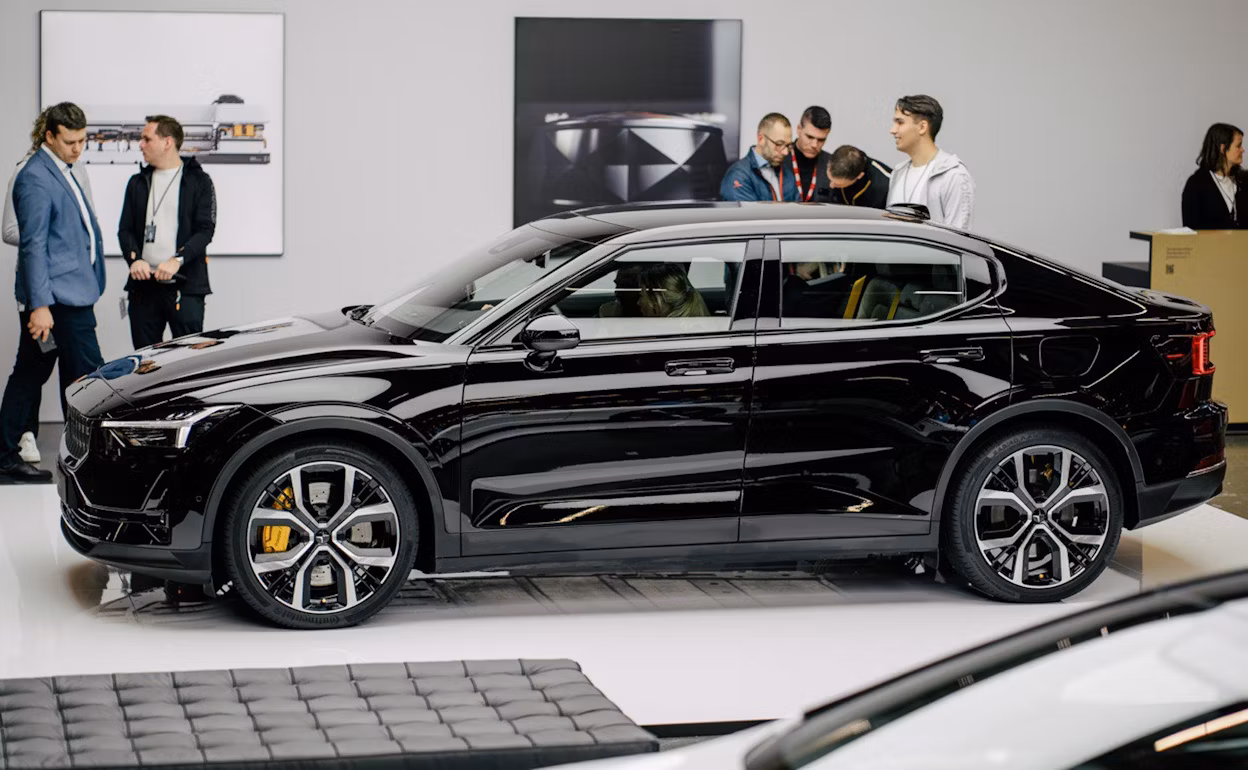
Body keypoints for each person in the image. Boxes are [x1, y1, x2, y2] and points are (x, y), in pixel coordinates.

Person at [0, 102, 106, 483]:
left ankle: (6, 455)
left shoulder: (64, 169)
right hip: (57, 300)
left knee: (31, 371)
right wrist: (39, 305)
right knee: (90, 379)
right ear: (49, 135)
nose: (78, 148)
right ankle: (93, 462)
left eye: (82, 141)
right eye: (70, 141)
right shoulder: (35, 176)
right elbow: (33, 245)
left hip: (71, 293)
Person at [117, 115, 216, 349]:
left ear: (167, 143)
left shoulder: (199, 181)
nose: (140, 144)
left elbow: (205, 231)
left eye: (147, 139)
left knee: (189, 360)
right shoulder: (137, 183)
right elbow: (125, 230)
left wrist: (177, 260)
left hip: (186, 287)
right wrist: (135, 259)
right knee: (145, 362)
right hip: (144, 289)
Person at [886, 95, 975, 229]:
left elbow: (958, 240)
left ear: (922, 127)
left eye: (900, 122)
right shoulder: (898, 173)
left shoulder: (953, 175)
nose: (892, 130)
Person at [720, 113, 799, 202]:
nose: (785, 152)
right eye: (779, 144)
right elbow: (748, 215)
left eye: (788, 145)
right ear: (761, 139)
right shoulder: (739, 175)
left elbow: (798, 212)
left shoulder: (786, 172)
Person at [1182, 123, 1246, 230]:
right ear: (1223, 148)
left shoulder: (1245, 181)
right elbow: (1191, 230)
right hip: (1208, 246)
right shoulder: (1196, 185)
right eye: (1238, 146)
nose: (1243, 150)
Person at [824, 145, 892, 208]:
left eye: (838, 184)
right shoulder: (830, 163)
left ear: (859, 176)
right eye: (830, 179)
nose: (831, 185)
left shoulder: (888, 185)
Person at [791, 106, 832, 203]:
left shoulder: (832, 165)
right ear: (798, 129)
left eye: (821, 140)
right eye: (809, 137)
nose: (814, 145)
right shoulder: (780, 159)